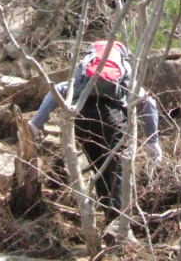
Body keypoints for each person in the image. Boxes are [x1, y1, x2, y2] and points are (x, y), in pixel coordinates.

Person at [28, 41, 162, 220]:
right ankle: (116, 224)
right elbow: (149, 103)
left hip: (82, 117)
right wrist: (153, 142)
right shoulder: (124, 68)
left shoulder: (84, 69)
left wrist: (35, 125)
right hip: (112, 117)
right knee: (117, 168)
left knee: (99, 168)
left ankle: (108, 216)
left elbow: (56, 91)